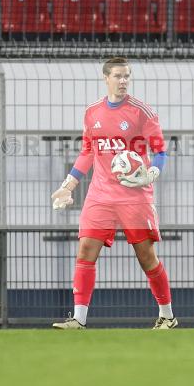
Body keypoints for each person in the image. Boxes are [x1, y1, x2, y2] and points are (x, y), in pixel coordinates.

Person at [50, 57, 176, 330]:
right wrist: (68, 186)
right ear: (105, 77)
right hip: (100, 195)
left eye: (127, 76)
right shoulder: (92, 112)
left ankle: (167, 315)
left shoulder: (141, 111)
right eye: (118, 76)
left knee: (146, 256)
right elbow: (87, 152)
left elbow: (160, 151)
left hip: (134, 195)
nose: (123, 81)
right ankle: (78, 319)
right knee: (85, 249)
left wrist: (152, 173)